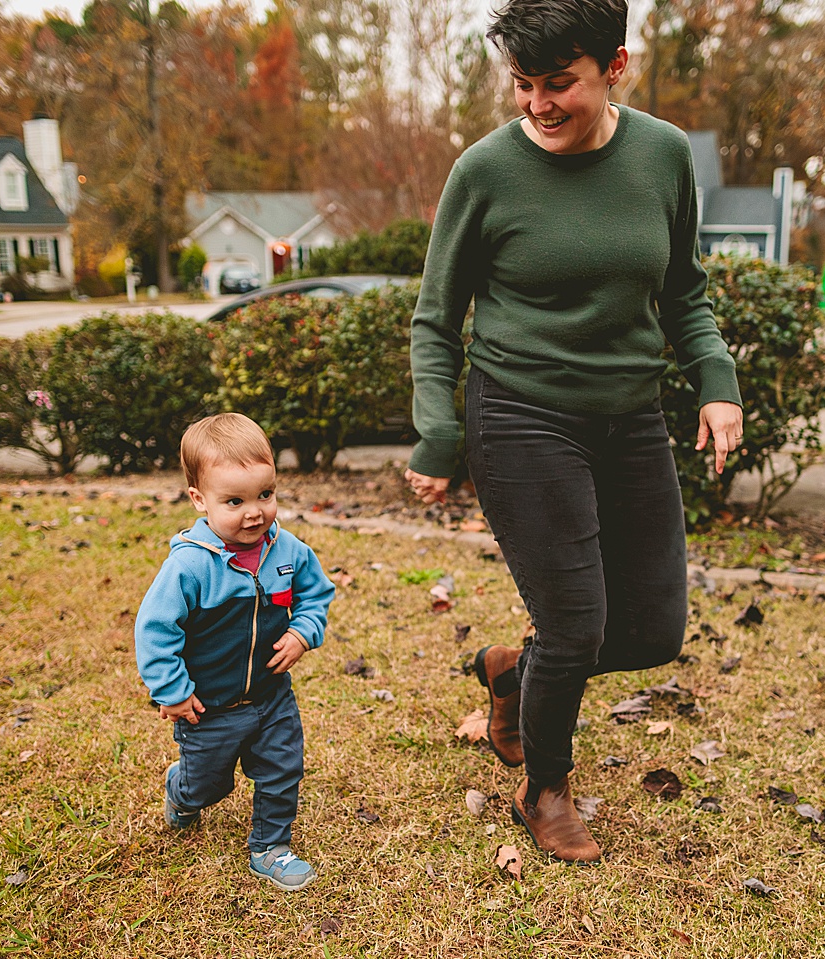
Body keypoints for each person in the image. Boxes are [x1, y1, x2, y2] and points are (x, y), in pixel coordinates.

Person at [405, 0, 745, 863]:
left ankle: (514, 673)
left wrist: (716, 383)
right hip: (520, 411)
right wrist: (437, 433)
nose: (537, 104)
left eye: (561, 83)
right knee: (579, 624)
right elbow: (436, 321)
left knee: (655, 630)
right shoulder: (485, 172)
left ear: (616, 67)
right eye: (523, 85)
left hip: (629, 415)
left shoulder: (663, 156)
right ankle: (543, 786)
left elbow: (684, 294)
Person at [135, 412, 336, 891]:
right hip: (209, 707)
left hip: (271, 697)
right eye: (234, 501)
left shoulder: (287, 551)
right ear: (199, 500)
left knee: (283, 769)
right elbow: (155, 630)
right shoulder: (190, 566)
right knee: (209, 786)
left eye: (265, 495)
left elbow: (316, 594)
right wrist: (173, 692)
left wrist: (303, 632)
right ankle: (181, 790)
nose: (254, 513)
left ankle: (270, 847)